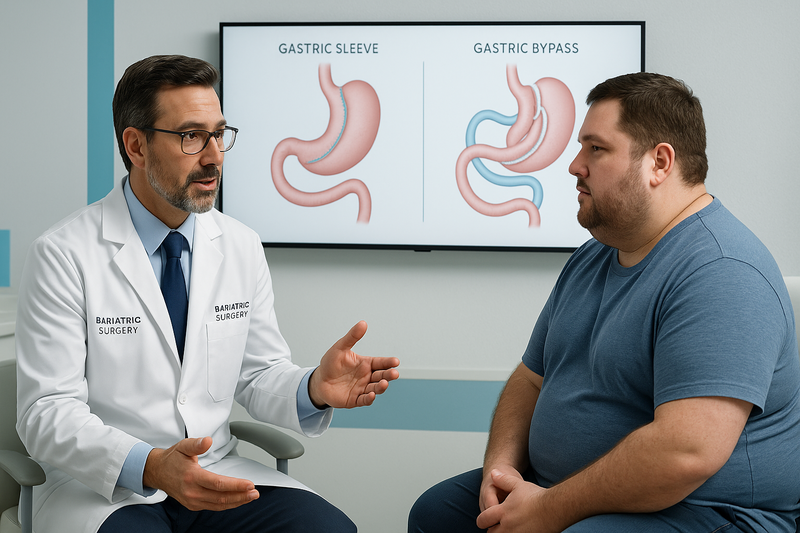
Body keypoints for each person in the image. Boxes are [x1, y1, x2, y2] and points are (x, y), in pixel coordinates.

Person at [15, 54, 399, 533]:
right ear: (135, 146)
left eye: (219, 134)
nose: (214, 156)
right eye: (191, 136)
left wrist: (313, 388)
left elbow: (257, 373)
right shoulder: (63, 253)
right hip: (105, 488)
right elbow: (46, 412)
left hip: (215, 471)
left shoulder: (240, 245)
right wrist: (151, 465)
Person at [408, 72, 800, 532]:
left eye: (596, 148)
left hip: (706, 512)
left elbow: (686, 453)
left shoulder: (722, 270)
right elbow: (531, 379)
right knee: (435, 514)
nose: (575, 166)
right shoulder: (593, 256)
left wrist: (548, 510)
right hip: (565, 490)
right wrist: (501, 471)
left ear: (659, 163)